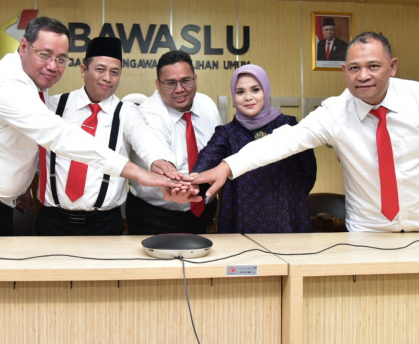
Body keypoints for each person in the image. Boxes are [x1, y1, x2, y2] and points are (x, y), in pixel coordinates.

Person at [193, 32, 419, 235]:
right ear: (344, 71)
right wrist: (227, 166)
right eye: (354, 68)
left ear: (392, 67)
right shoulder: (335, 112)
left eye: (373, 66)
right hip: (367, 233)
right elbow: (283, 141)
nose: (363, 76)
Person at [0, 17, 181, 237]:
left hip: (94, 220)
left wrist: (161, 162)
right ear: (23, 47)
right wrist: (137, 173)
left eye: (61, 59)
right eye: (45, 54)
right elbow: (60, 136)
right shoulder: (11, 87)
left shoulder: (36, 87)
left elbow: (146, 139)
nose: (53, 66)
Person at [34, 37, 179, 236]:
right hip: (53, 222)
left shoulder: (126, 111)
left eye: (114, 72)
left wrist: (159, 160)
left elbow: (147, 139)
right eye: (100, 69)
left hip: (104, 225)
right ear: (83, 70)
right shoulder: (54, 105)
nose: (107, 78)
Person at [166, 64, 317, 233]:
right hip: (242, 217)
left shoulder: (288, 125)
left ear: (266, 91)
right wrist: (194, 177)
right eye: (240, 92)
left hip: (287, 216)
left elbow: (308, 171)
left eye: (255, 90)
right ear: (233, 95)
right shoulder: (227, 133)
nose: (248, 97)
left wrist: (291, 197)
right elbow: (209, 156)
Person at [126, 50, 221, 235]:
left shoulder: (207, 105)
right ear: (158, 84)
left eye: (186, 81)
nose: (179, 89)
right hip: (155, 215)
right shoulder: (147, 113)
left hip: (204, 212)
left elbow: (217, 151)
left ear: (195, 79)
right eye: (170, 83)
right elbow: (158, 150)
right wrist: (178, 183)